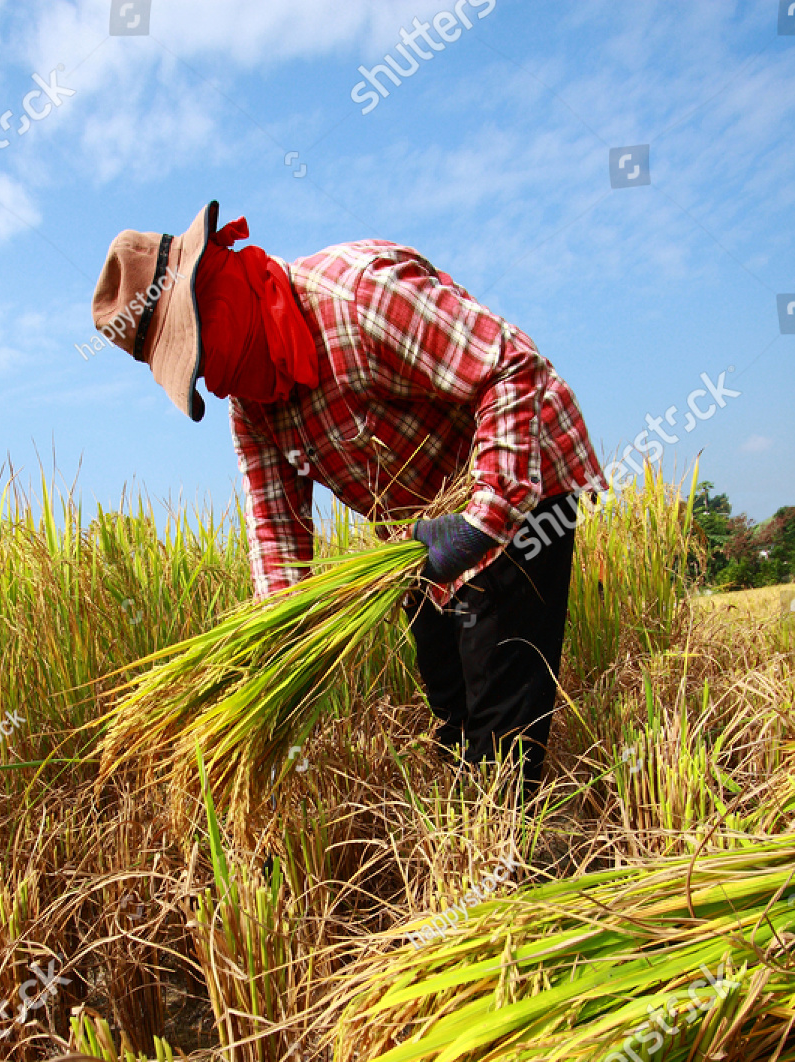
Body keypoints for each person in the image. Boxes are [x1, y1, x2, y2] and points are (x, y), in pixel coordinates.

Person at [91, 200, 606, 794]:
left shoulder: (360, 298)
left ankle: (513, 847)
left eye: (199, 352)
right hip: (419, 537)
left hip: (519, 479)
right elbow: (276, 541)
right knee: (450, 703)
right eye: (195, 369)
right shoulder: (253, 411)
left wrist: (479, 523)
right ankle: (473, 831)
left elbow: (513, 369)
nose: (212, 379)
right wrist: (274, 652)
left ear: (216, 291)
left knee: (499, 725)